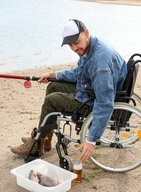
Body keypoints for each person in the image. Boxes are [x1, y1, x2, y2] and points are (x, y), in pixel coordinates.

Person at [11, 19, 127, 163]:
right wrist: (54, 75)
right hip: (92, 88)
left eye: (76, 42)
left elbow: (104, 103)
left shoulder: (100, 63)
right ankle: (45, 137)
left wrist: (91, 140)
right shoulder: (92, 46)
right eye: (70, 45)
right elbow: (80, 72)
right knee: (53, 86)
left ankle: (38, 142)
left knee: (51, 100)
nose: (74, 48)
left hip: (93, 99)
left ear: (86, 33)